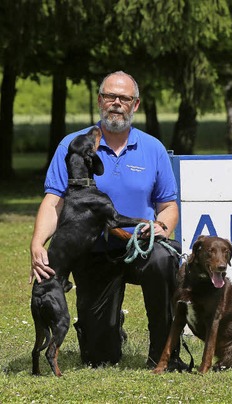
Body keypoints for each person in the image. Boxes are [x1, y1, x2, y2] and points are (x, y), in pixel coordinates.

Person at [30, 71, 187, 371]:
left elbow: (168, 206)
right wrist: (38, 242)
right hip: (94, 254)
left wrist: (161, 226)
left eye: (124, 98)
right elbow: (54, 201)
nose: (116, 103)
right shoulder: (73, 145)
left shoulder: (152, 148)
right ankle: (108, 328)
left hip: (137, 246)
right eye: (110, 97)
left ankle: (164, 353)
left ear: (135, 105)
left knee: (163, 260)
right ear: (100, 100)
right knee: (100, 357)